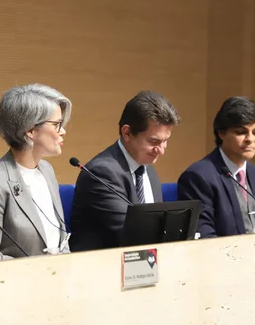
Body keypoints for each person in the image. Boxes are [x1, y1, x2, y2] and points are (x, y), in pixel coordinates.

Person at [0, 84, 72, 260]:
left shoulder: (47, 171)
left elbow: (58, 240)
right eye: (57, 124)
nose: (63, 131)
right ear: (30, 130)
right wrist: (35, 269)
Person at [70, 90, 179, 251]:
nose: (161, 150)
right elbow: (133, 234)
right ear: (127, 133)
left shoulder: (148, 170)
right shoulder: (102, 173)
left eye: (165, 141)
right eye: (154, 141)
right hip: (103, 268)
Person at [178, 96, 255, 238]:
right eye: (241, 132)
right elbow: (204, 236)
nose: (250, 139)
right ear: (221, 133)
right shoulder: (198, 177)